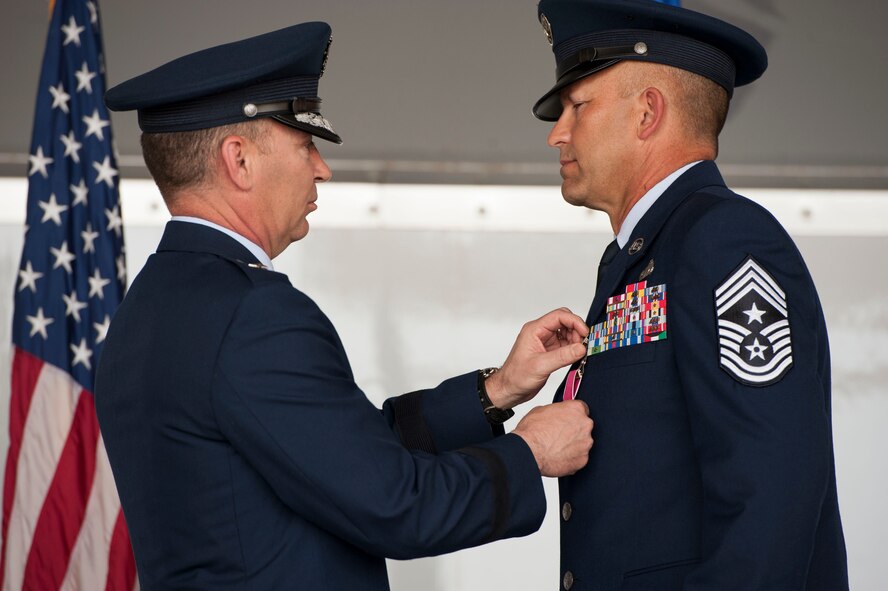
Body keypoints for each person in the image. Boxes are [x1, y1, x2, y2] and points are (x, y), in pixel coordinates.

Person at [95, 22, 594, 590]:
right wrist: (529, 454)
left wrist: (496, 390)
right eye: (305, 143)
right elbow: (394, 505)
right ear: (239, 161)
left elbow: (337, 457)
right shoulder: (252, 315)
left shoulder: (151, 305)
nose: (321, 168)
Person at [530, 1, 848, 589]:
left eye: (578, 106)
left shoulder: (725, 240)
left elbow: (770, 493)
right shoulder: (650, 251)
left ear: (647, 112)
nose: (557, 133)